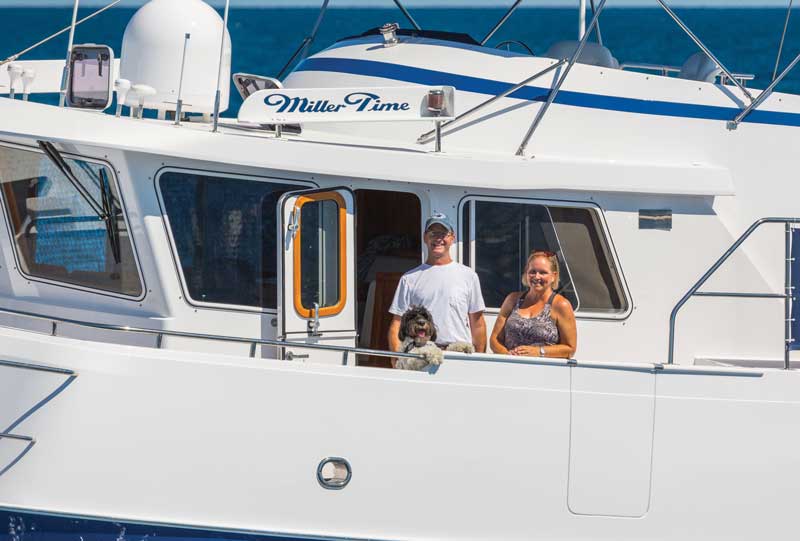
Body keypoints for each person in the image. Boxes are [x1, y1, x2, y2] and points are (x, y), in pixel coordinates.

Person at [388, 212, 486, 361]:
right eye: (433, 233)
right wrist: (397, 360)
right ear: (425, 237)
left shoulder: (469, 276)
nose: (438, 238)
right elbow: (396, 324)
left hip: (459, 356)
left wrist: (479, 360)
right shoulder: (408, 279)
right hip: (421, 355)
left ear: (452, 238)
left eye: (443, 233)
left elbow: (477, 324)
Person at [490, 250, 577, 358]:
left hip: (543, 370)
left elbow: (570, 349)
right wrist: (508, 356)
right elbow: (495, 340)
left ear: (554, 276)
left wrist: (539, 352)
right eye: (532, 272)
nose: (537, 277)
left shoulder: (561, 305)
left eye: (543, 272)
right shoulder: (512, 299)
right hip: (510, 368)